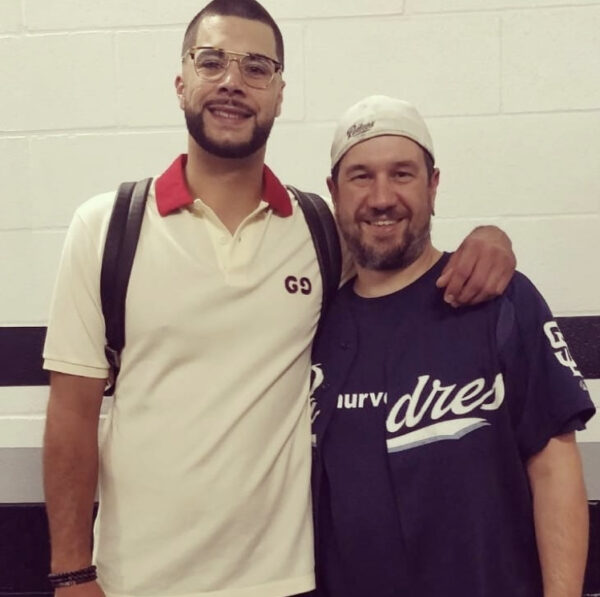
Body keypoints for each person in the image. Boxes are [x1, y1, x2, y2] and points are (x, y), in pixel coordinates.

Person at [41, 2, 516, 596]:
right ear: (181, 80)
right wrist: (71, 573)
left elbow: (397, 249)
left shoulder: (317, 232)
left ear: (280, 94)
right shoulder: (107, 227)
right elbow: (72, 416)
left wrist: (491, 239)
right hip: (134, 581)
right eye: (211, 62)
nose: (233, 83)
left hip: (286, 582)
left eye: (257, 68)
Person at [310, 95, 596, 597]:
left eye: (402, 174)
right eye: (361, 176)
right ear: (333, 192)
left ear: (433, 185)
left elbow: (554, 466)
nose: (381, 197)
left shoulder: (498, 300)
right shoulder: (309, 326)